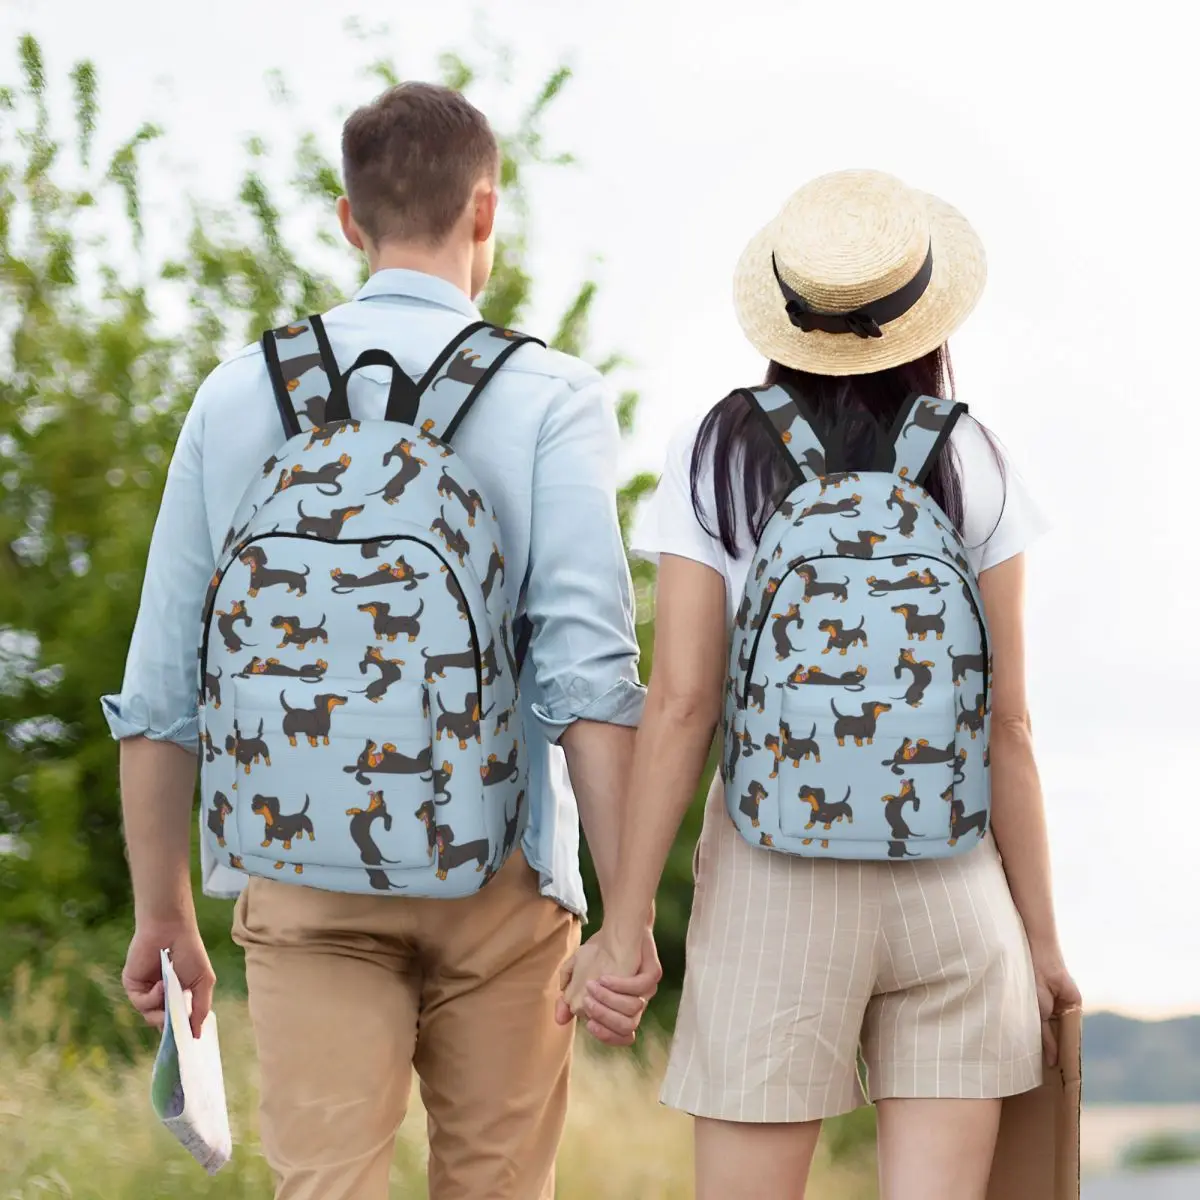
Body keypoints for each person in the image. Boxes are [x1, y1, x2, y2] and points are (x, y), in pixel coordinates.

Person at [105, 81, 659, 1200]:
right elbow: (589, 678)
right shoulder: (550, 395)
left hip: (301, 876)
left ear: (349, 220)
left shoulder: (235, 396)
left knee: (325, 1186)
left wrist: (163, 912)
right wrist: (627, 915)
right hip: (503, 878)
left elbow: (163, 683)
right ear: (486, 213)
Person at [561, 169, 1082, 1200]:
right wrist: (1043, 944)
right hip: (954, 885)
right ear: (923, 314)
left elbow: (681, 705)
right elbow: (1009, 725)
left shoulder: (717, 451)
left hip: (773, 882)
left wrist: (623, 927)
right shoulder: (973, 457)